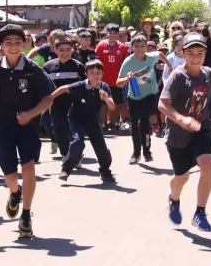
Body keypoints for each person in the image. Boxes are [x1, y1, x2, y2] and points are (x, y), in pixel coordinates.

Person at [0, 24, 56, 239]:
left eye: (18, 42)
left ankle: (25, 215)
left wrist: (32, 113)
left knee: (28, 168)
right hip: (1, 125)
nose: (14, 47)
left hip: (27, 126)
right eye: (9, 43)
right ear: (2, 46)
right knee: (9, 175)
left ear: (25, 44)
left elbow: (49, 96)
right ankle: (15, 193)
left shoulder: (33, 69)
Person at [160, 33, 211, 232]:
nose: (196, 56)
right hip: (178, 134)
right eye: (191, 53)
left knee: (208, 164)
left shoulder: (209, 74)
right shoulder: (178, 76)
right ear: (182, 53)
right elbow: (162, 104)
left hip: (203, 127)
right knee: (182, 176)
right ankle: (174, 199)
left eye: (199, 52)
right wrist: (181, 119)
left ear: (205, 53)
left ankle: (200, 212)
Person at [55, 59, 116, 182]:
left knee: (101, 146)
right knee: (78, 142)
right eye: (92, 72)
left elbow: (112, 106)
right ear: (86, 74)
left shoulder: (104, 87)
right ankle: (66, 169)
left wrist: (105, 98)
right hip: (76, 118)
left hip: (92, 120)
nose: (95, 75)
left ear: (102, 74)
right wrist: (50, 98)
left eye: (98, 72)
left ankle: (105, 171)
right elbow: (62, 88)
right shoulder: (80, 85)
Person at [117, 34, 171, 164]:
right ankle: (136, 153)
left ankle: (147, 151)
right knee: (135, 124)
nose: (140, 49)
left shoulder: (151, 57)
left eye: (142, 46)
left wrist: (169, 66)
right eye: (137, 46)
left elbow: (160, 54)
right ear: (132, 47)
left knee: (145, 122)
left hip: (150, 94)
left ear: (146, 47)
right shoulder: (129, 61)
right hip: (134, 97)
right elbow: (118, 82)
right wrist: (128, 79)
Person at [41, 36, 86, 158]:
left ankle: (77, 154)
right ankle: (65, 154)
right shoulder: (48, 67)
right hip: (56, 104)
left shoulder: (78, 66)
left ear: (72, 50)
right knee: (59, 129)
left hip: (75, 104)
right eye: (61, 50)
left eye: (68, 49)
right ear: (55, 50)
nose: (65, 53)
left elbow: (87, 84)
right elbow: (43, 84)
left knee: (75, 132)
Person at [96, 24, 130, 132]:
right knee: (103, 103)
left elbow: (128, 61)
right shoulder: (101, 46)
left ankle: (114, 123)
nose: (112, 35)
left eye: (115, 33)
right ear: (107, 34)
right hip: (103, 80)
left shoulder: (122, 47)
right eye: (110, 33)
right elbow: (95, 62)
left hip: (117, 81)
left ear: (118, 35)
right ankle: (103, 123)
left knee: (117, 103)